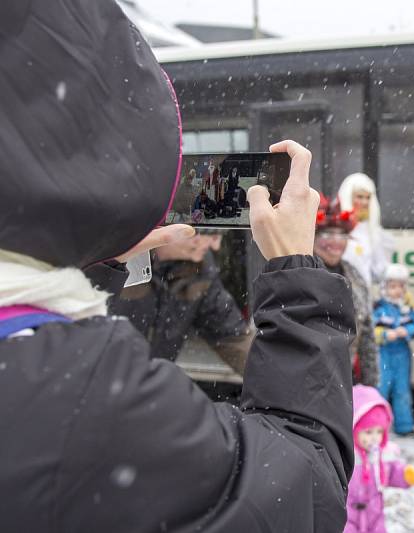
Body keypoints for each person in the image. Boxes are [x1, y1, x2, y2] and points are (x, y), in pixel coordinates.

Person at [0, 3, 353, 532]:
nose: (206, 243)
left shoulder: (186, 280)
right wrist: (295, 273)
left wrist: (95, 257)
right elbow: (304, 484)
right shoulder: (84, 394)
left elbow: (235, 343)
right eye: (202, 230)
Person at [109, 231, 252, 375]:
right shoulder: (114, 261)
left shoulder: (200, 270)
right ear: (173, 223)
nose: (216, 245)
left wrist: (270, 380)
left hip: (149, 387)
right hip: (100, 385)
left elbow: (232, 338)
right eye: (209, 231)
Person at [315, 195, 380, 387]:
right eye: (327, 234)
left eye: (342, 235)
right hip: (307, 381)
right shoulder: (298, 271)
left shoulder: (354, 275)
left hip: (344, 378)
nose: (336, 242)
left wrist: (371, 386)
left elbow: (367, 333)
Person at [346, 385, 414, 533]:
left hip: (375, 514)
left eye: (379, 431)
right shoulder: (348, 457)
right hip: (348, 514)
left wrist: (406, 475)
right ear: (353, 428)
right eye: (368, 432)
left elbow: (392, 472)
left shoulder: (382, 455)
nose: (374, 437)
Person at [373, 264, 414, 435]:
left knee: (402, 390)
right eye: (393, 286)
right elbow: (370, 331)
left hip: (402, 354)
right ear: (384, 288)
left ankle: (404, 426)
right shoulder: (378, 308)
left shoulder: (407, 308)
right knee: (381, 389)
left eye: (401, 286)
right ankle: (377, 427)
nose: (397, 290)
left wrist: (406, 331)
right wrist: (385, 335)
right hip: (383, 354)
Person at [338, 173, 394, 288]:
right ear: (348, 196)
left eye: (368, 197)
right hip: (338, 292)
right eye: (359, 197)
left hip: (362, 297)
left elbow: (379, 272)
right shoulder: (336, 228)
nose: (365, 202)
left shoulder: (372, 232)